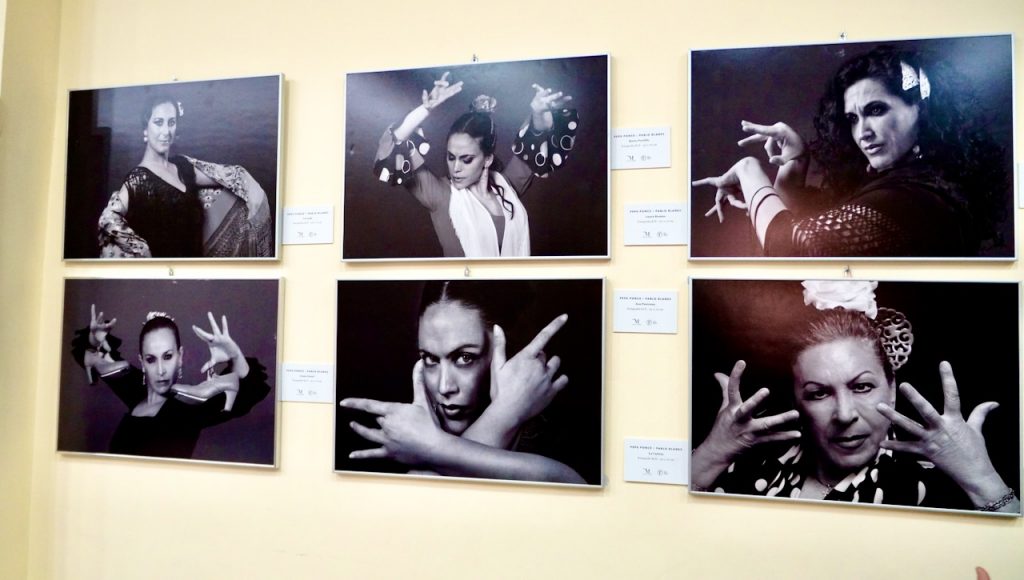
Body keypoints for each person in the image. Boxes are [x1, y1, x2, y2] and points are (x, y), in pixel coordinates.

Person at [690, 282, 1019, 513]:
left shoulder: (935, 488)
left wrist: (983, 480)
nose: (845, 414)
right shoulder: (751, 469)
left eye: (862, 387)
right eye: (818, 393)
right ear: (796, 402)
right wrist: (710, 456)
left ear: (891, 389)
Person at [693, 45, 1007, 257]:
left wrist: (748, 170)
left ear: (921, 111)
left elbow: (789, 248)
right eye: (853, 119)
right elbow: (792, 249)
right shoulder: (907, 185)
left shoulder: (914, 198)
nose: (862, 132)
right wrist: (795, 164)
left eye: (876, 110)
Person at [339, 280, 586, 483]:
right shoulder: (390, 450)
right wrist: (505, 413)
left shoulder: (561, 441)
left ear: (502, 350)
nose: (444, 387)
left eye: (465, 358)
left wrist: (429, 447)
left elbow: (574, 484)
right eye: (430, 359)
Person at [373, 72, 578, 257]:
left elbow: (534, 146)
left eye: (467, 159)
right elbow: (395, 146)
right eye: (451, 157)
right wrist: (425, 109)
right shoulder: (441, 196)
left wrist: (539, 113)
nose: (456, 168)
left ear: (487, 159)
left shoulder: (507, 188)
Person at [72, 305, 270, 458]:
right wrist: (93, 341)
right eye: (151, 359)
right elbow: (88, 356)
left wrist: (235, 356)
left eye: (167, 357)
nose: (160, 370)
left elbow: (250, 388)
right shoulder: (134, 390)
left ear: (180, 356)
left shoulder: (189, 408)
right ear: (142, 361)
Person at [97, 95, 273, 258]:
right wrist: (140, 248)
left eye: (171, 122)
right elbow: (108, 219)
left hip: (195, 268)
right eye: (158, 122)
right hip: (164, 274)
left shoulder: (183, 166)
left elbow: (229, 177)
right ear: (145, 129)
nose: (166, 131)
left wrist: (250, 191)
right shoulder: (138, 179)